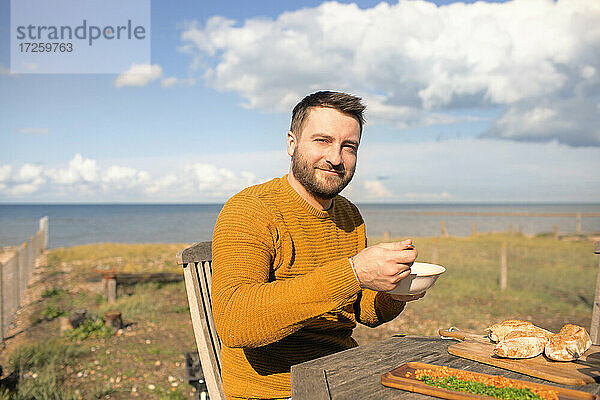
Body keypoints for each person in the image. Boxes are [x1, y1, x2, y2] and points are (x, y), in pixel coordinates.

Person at [212, 91, 425, 400]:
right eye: (322, 141)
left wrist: (394, 291)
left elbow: (362, 312)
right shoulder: (251, 209)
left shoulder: (349, 214)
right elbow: (235, 321)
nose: (336, 158)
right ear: (291, 143)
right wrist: (352, 273)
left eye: (348, 146)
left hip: (344, 378)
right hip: (277, 391)